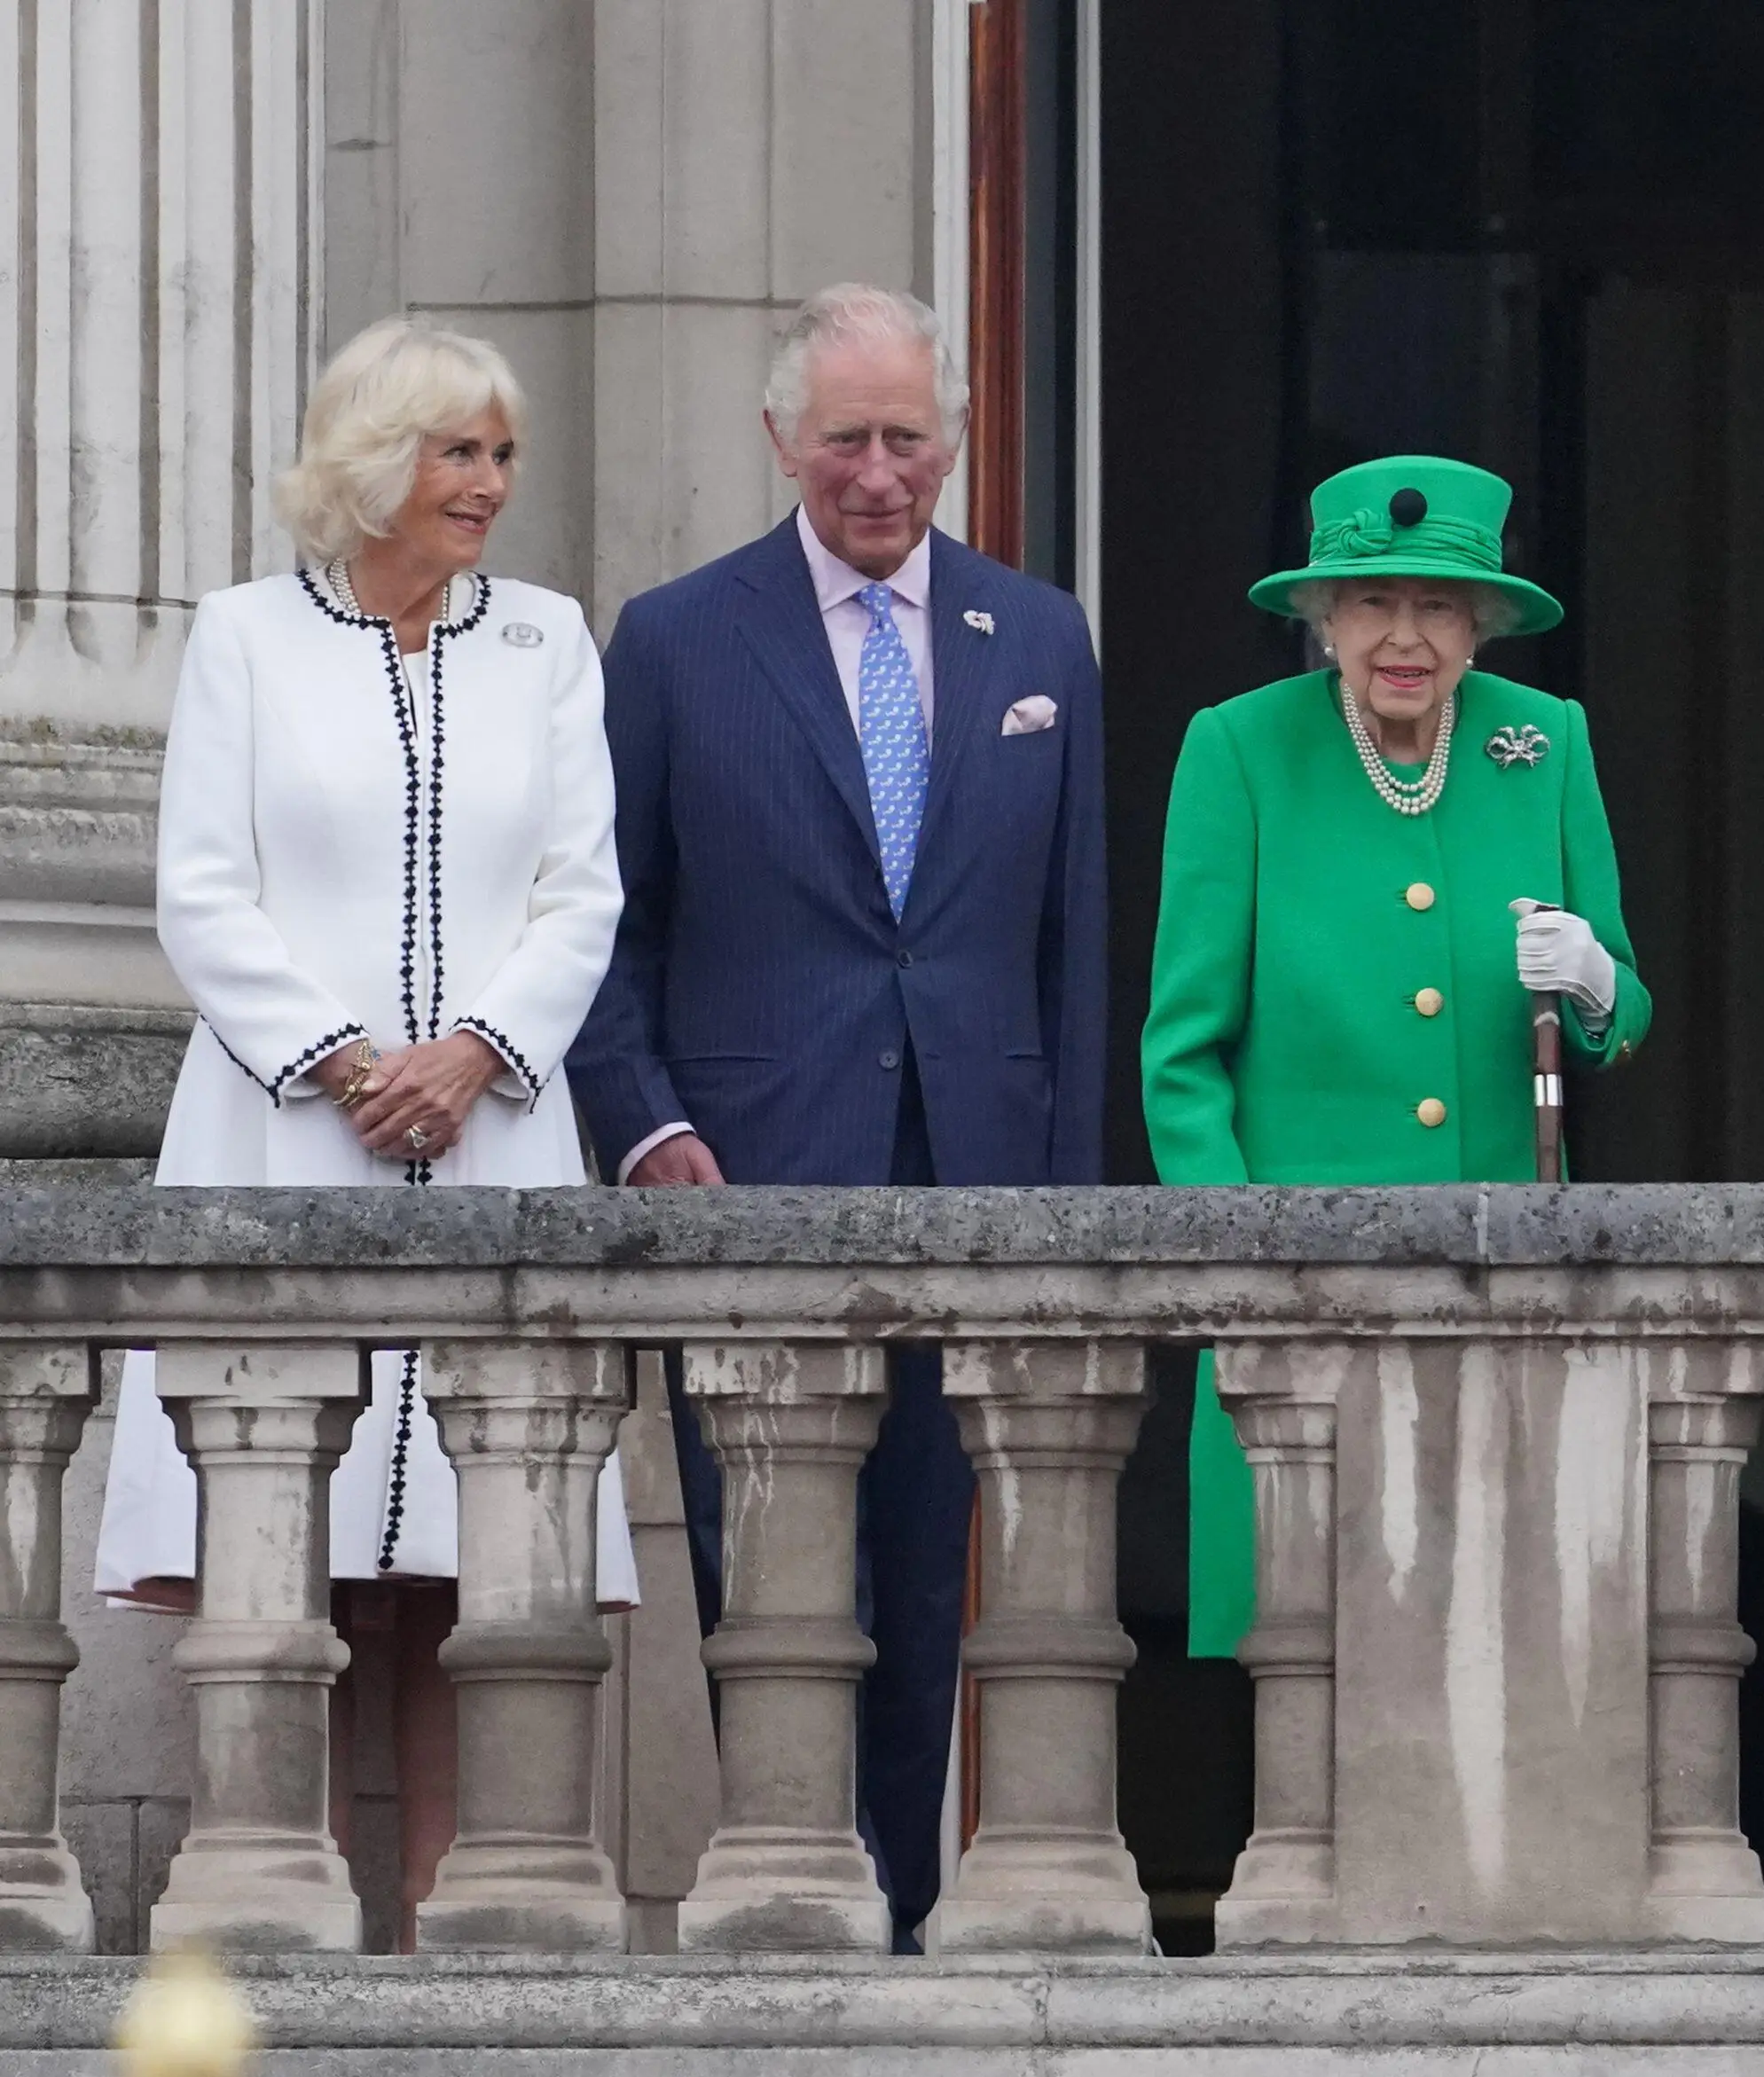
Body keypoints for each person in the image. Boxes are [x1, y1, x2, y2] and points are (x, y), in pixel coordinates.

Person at [565, 283, 1109, 1951]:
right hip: (744, 1182)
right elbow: (602, 923)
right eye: (846, 440)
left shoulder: (1040, 638)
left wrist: (1068, 1210)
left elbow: (1072, 943)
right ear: (780, 439)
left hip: (974, 1182)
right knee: (766, 1570)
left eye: (908, 439)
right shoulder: (674, 637)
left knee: (933, 1573)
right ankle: (791, 1887)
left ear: (957, 438)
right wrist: (642, 1131)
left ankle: (904, 1905)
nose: (880, 473)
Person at [93, 317, 635, 1946]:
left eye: (501, 453)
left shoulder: (546, 640)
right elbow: (203, 891)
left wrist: (475, 1055)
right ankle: (296, 1926)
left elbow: (582, 891)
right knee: (296, 1550)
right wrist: (341, 1062)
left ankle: (466, 1931)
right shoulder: (247, 637)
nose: (489, 482)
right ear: (375, 459)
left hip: (493, 1137)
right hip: (285, 1141)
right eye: (458, 450)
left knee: (479, 1558)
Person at [1144, 453, 1646, 1658]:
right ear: (1325, 618)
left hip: (1500, 1279)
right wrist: (1242, 1256)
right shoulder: (1239, 748)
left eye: (1437, 605)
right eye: (1373, 602)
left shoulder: (1544, 740)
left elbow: (1622, 1009)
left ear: (1480, 625)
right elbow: (1181, 1055)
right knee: (1306, 1635)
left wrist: (1590, 975)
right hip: (1298, 1283)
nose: (1405, 637)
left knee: (1494, 1639)